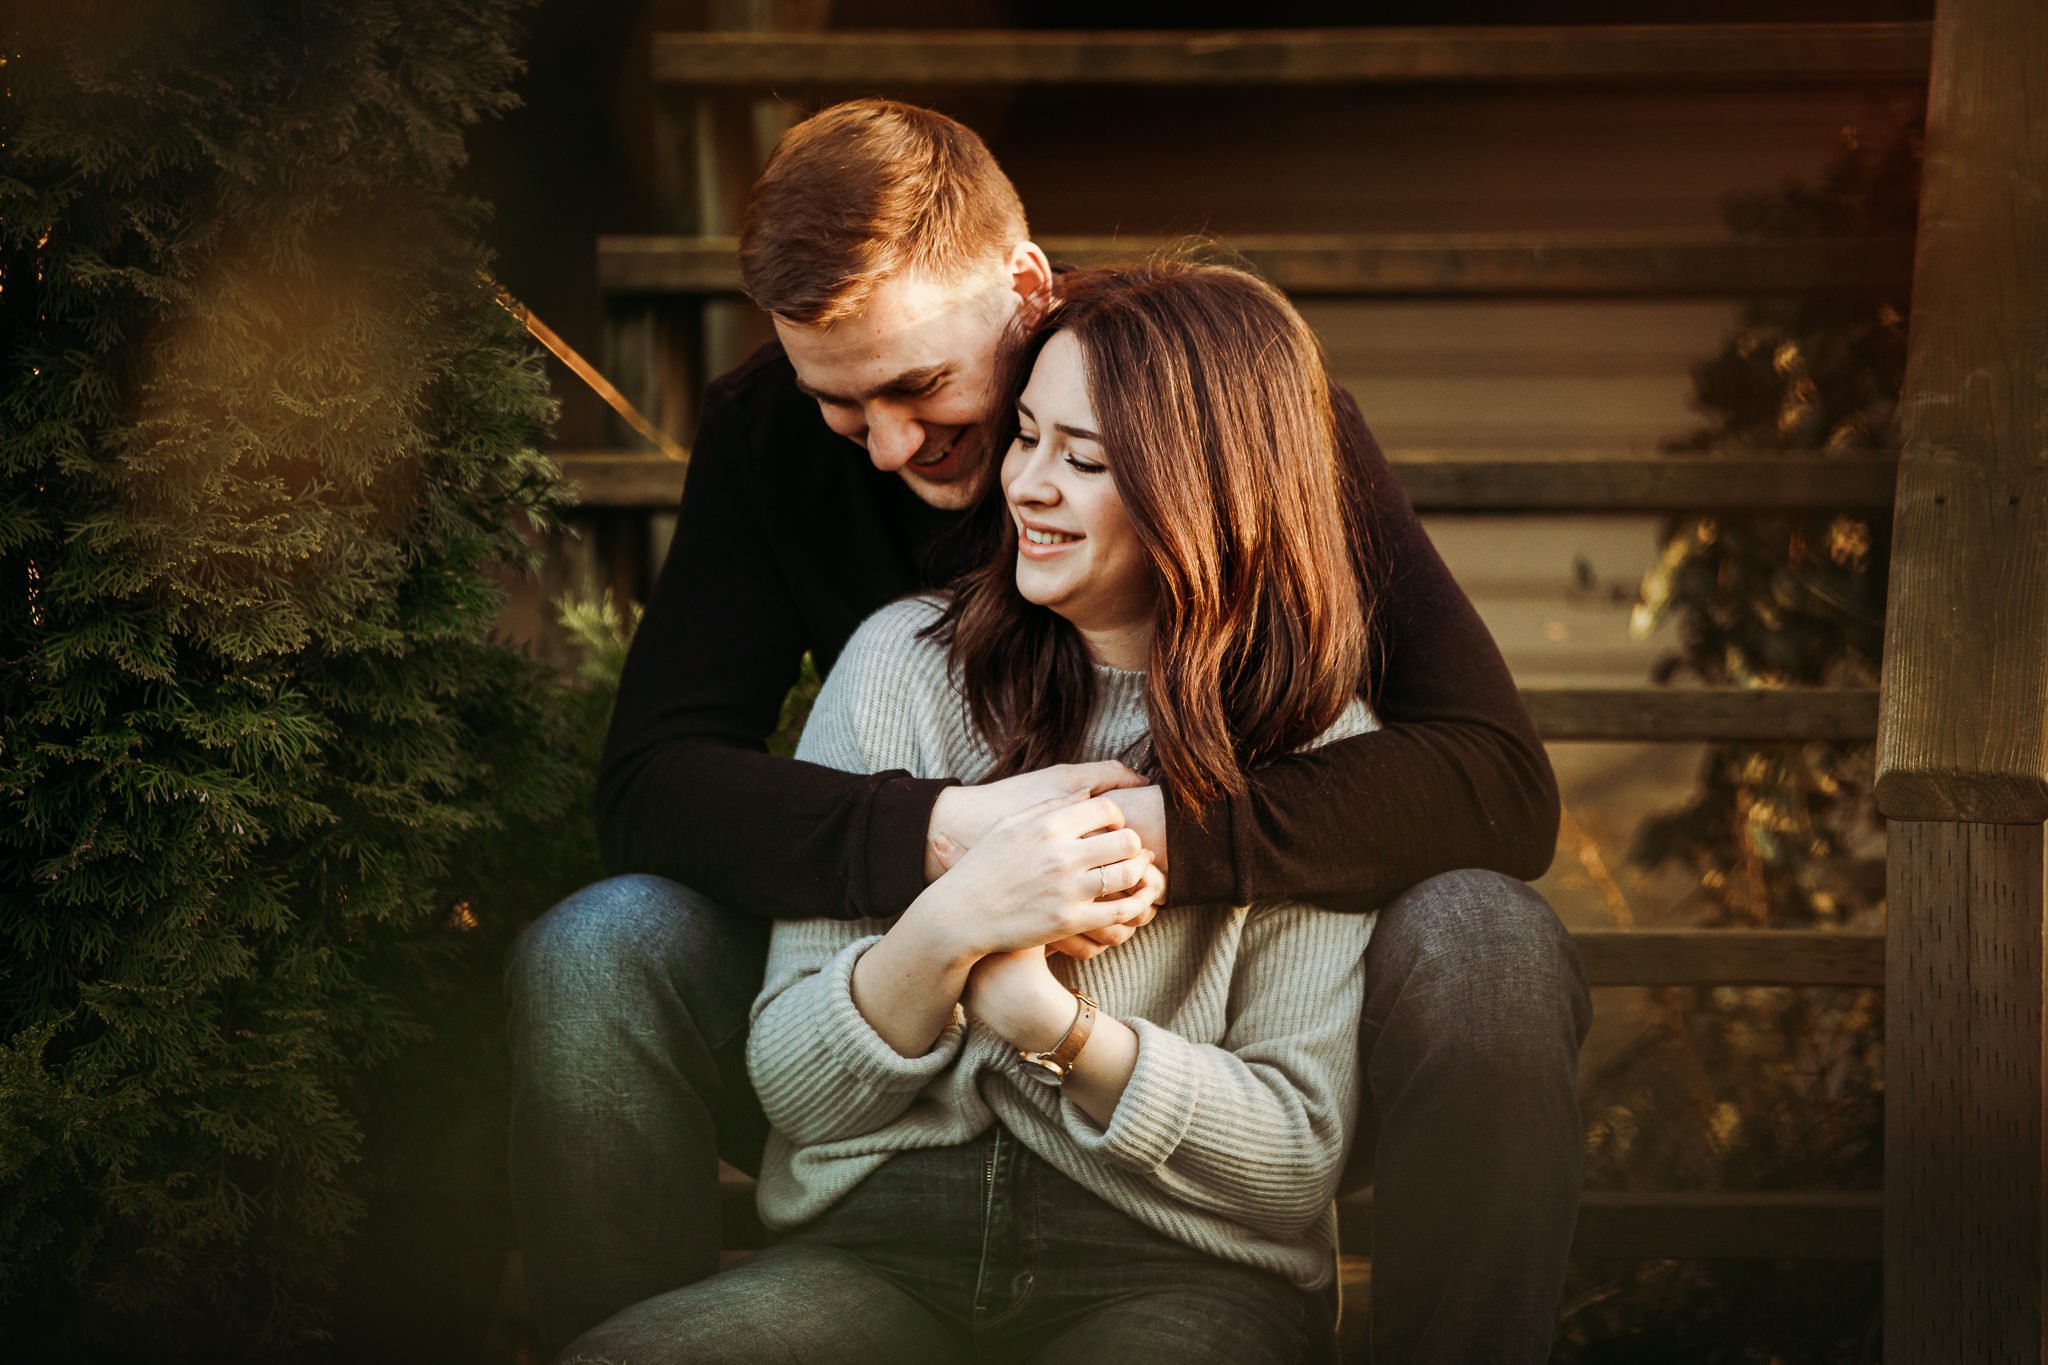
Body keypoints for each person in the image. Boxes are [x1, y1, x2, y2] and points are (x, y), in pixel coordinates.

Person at [506, 100, 1590, 1365]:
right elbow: (652, 786)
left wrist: (1141, 835)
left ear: (1024, 289)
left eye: (918, 388)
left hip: (1184, 1102)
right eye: (841, 408)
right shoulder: (785, 467)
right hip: (885, 1056)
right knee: (597, 944)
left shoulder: (1230, 418)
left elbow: (1493, 783)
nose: (891, 446)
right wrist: (946, 843)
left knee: (1487, 935)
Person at [564, 260, 1385, 1365]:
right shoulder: (900, 665)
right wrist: (951, 924)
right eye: (1027, 437)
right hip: (877, 1250)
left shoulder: (1317, 752)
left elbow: (1292, 1152)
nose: (1026, 486)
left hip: (1179, 1269)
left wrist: (1048, 1024)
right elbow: (794, 1087)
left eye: (1083, 460)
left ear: (1208, 490)